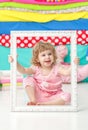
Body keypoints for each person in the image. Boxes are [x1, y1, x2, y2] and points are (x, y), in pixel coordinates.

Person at [9, 42, 78, 106]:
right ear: (37, 59)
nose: (47, 57)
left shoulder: (56, 68)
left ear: (54, 56)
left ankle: (45, 104)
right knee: (28, 79)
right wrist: (15, 62)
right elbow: (24, 70)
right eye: (43, 55)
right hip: (39, 95)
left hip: (54, 96)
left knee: (67, 96)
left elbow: (67, 72)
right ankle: (33, 100)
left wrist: (74, 64)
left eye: (50, 54)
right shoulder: (36, 68)